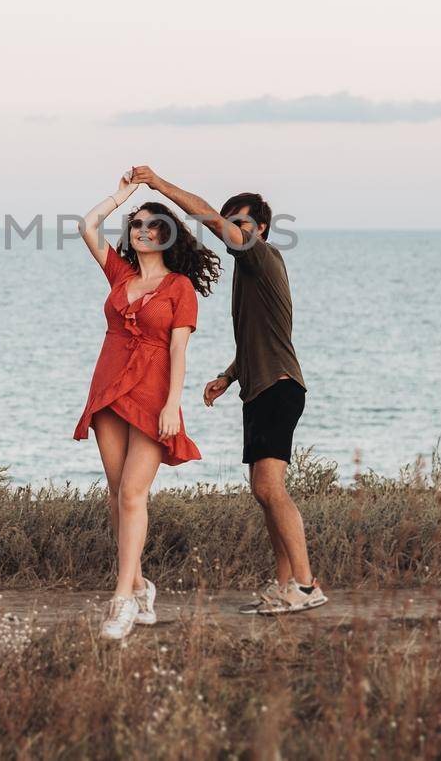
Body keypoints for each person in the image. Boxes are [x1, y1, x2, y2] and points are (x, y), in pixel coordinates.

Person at [128, 166, 326, 615]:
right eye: (230, 222)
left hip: (278, 388)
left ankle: (307, 586)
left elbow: (208, 219)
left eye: (241, 224)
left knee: (270, 488)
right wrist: (229, 375)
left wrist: (159, 184)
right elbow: (267, 336)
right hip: (259, 389)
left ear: (259, 230)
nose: (234, 230)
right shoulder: (250, 272)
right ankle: (285, 585)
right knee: (263, 491)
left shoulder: (262, 256)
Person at [75, 172, 220, 639]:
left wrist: (173, 404)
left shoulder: (180, 288)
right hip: (110, 386)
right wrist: (126, 194)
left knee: (133, 494)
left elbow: (179, 350)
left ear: (167, 235)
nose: (141, 231)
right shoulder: (121, 272)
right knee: (117, 495)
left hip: (155, 392)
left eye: (151, 226)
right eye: (135, 225)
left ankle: (121, 601)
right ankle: (140, 585)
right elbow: (87, 225)